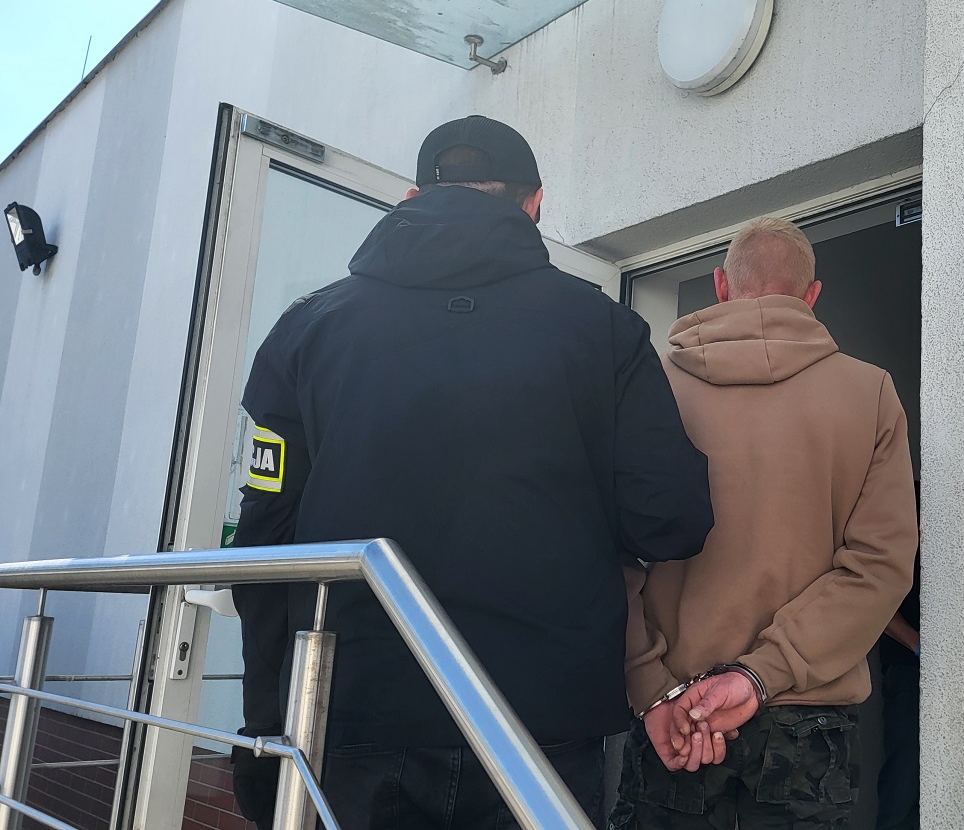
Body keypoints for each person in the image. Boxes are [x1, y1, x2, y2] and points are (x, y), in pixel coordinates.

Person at [228, 115, 714, 830]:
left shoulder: (309, 329)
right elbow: (670, 521)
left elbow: (264, 542)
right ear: (535, 202)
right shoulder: (602, 329)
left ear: (410, 199)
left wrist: (265, 722)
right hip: (542, 719)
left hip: (356, 706)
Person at [613, 217, 919, 829]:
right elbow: (879, 567)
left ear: (721, 285)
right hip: (807, 722)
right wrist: (759, 674)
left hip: (679, 713)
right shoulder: (870, 393)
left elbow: (609, 551)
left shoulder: (651, 387)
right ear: (812, 295)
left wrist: (650, 684)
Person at [874, 546, 921, 830]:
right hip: (907, 671)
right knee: (902, 791)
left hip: (947, 674)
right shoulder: (898, 529)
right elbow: (872, 597)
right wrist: (918, 645)